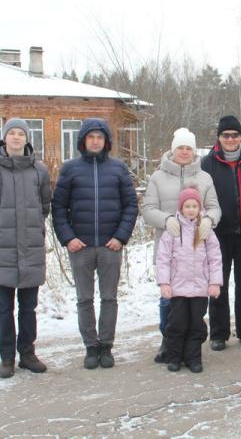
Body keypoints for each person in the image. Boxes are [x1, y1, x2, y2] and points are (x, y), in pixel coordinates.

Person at [52, 118, 138, 370]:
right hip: (81, 247)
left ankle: (106, 346)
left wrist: (120, 237)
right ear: (83, 140)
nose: (95, 141)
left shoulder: (118, 169)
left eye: (100, 137)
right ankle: (91, 346)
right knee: (84, 299)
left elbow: (131, 205)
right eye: (91, 137)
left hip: (111, 246)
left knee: (109, 298)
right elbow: (58, 207)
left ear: (106, 141)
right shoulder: (70, 169)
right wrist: (68, 238)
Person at [0, 118, 52, 378]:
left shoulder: (39, 170)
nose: (17, 137)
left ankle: (27, 354)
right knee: (4, 306)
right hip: (2, 247)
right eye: (13, 133)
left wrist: (32, 227)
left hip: (30, 246)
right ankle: (6, 358)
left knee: (28, 306)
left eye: (21, 133)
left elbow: (44, 206)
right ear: (4, 139)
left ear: (27, 139)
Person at [143, 127, 221, 363]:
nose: (185, 152)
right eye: (181, 148)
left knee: (194, 303)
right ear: (173, 149)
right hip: (169, 246)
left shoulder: (204, 177)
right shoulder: (158, 177)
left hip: (197, 248)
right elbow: (147, 210)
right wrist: (166, 220)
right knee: (169, 298)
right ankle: (169, 342)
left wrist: (209, 219)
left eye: (189, 148)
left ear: (194, 150)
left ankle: (190, 347)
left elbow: (214, 206)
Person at [201, 115, 241, 351]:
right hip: (218, 234)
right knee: (219, 283)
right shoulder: (208, 164)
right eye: (226, 135)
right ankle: (218, 333)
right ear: (219, 137)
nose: (230, 139)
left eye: (234, 135)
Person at [156, 187, 223, 373]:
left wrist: (215, 282)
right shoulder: (172, 231)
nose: (191, 209)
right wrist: (164, 283)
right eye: (187, 206)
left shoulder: (206, 231)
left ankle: (193, 358)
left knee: (196, 325)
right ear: (181, 208)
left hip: (200, 288)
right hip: (178, 288)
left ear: (199, 208)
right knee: (176, 324)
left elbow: (215, 258)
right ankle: (174, 357)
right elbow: (163, 259)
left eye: (194, 206)